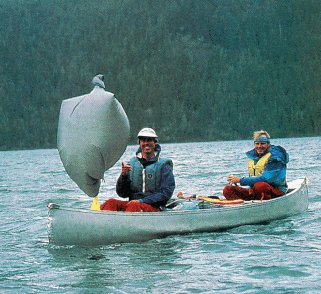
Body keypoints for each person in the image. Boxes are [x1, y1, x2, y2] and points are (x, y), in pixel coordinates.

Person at [101, 128, 175, 212]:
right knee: (111, 202)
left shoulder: (164, 165)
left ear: (154, 143)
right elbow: (122, 194)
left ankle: (127, 223)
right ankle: (103, 222)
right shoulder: (132, 164)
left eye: (149, 140)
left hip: (154, 207)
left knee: (134, 205)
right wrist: (123, 175)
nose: (146, 143)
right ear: (139, 143)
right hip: (133, 205)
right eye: (143, 140)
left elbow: (166, 193)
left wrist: (142, 201)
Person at [223, 130, 289, 201]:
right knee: (228, 189)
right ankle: (240, 206)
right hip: (257, 192)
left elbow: (266, 179)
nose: (259, 146)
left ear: (268, 145)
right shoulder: (254, 158)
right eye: (257, 144)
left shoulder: (275, 158)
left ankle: (265, 208)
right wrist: (235, 181)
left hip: (276, 191)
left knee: (260, 186)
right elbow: (253, 179)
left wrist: (240, 180)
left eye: (262, 143)